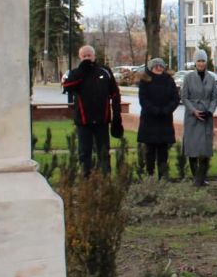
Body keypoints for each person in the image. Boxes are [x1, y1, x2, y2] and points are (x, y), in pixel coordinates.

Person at [62, 45, 123, 176]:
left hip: (102, 119)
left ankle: (105, 178)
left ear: (94, 56)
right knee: (84, 152)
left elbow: (115, 93)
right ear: (80, 57)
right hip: (83, 121)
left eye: (89, 55)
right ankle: (86, 180)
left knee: (103, 151)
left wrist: (117, 116)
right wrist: (81, 70)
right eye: (84, 56)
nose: (87, 58)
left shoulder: (104, 71)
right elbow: (67, 87)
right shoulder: (76, 72)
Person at [182, 49, 217, 186]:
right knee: (192, 148)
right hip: (192, 116)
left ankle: (202, 178)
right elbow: (184, 97)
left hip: (206, 117)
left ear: (206, 62)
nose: (201, 63)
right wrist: (193, 111)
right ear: (195, 62)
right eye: (198, 60)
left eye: (203, 60)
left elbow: (215, 97)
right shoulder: (188, 77)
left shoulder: (211, 78)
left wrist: (210, 111)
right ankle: (195, 177)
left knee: (204, 148)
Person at [137, 58, 180, 180]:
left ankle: (163, 178)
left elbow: (175, 98)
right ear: (151, 68)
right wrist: (155, 110)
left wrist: (167, 110)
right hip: (149, 121)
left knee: (163, 152)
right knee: (149, 151)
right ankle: (149, 176)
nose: (158, 68)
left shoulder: (169, 80)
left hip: (164, 121)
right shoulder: (145, 81)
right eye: (156, 66)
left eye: (161, 66)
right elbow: (143, 99)